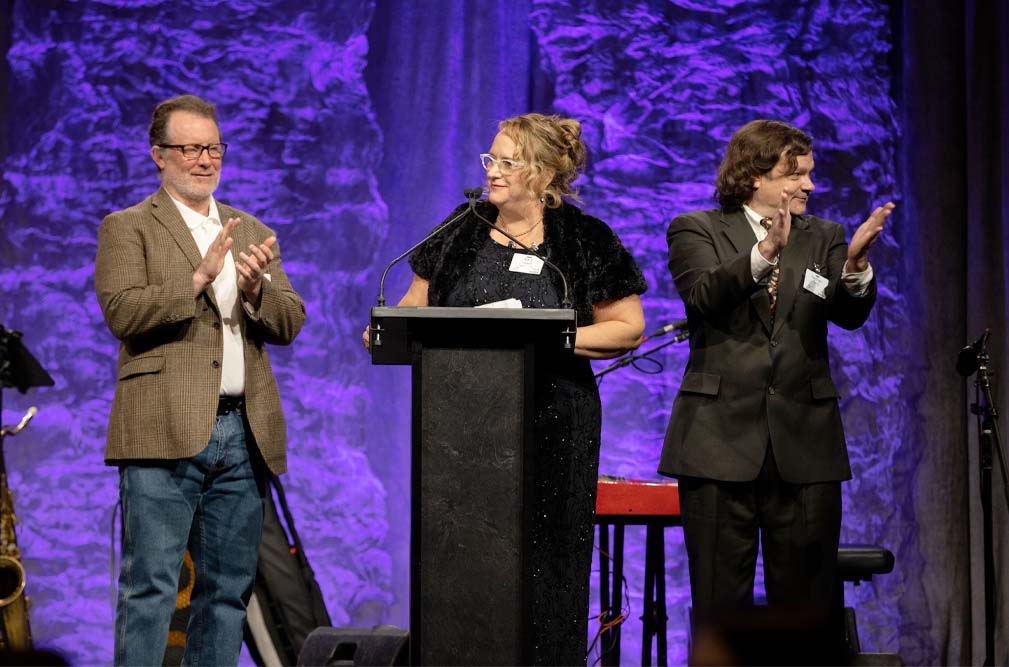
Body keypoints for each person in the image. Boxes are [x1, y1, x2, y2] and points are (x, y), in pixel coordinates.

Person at [365, 113, 646, 665]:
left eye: (507, 162)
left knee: (551, 567)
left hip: (555, 425)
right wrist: (383, 327)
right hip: (459, 429)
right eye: (489, 159)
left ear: (544, 175)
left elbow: (627, 327)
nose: (492, 171)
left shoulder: (584, 239)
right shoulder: (459, 229)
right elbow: (408, 313)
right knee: (461, 562)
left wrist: (548, 340)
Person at [658, 119, 894, 635]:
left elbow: (848, 314)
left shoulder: (826, 237)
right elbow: (703, 298)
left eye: (810, 174)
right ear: (755, 176)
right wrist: (764, 254)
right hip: (717, 444)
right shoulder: (696, 229)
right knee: (721, 611)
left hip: (805, 445)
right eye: (796, 174)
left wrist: (854, 268)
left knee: (806, 613)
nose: (808, 185)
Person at [94, 94, 305, 666]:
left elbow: (290, 322)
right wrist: (197, 278)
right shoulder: (128, 227)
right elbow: (123, 312)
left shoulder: (252, 230)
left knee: (226, 595)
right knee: (151, 589)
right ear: (158, 156)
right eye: (189, 148)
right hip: (163, 430)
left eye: (212, 147)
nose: (203, 159)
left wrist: (257, 289)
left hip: (241, 434)